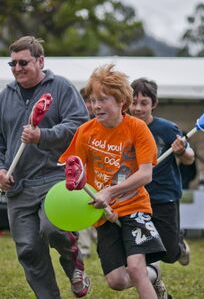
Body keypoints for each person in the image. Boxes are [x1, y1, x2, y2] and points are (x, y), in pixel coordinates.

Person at [0, 36, 90, 299]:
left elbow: (79, 126)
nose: (17, 68)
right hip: (18, 185)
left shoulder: (61, 88)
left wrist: (43, 135)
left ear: (40, 60)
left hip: (54, 178)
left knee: (53, 229)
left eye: (23, 62)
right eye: (13, 63)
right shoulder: (5, 96)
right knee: (29, 249)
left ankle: (74, 263)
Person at [59, 64, 168, 299]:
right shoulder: (86, 132)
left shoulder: (137, 129)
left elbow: (146, 174)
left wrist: (110, 192)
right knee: (117, 281)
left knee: (136, 268)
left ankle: (146, 275)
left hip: (135, 206)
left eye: (103, 99)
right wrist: (97, 201)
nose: (96, 106)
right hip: (103, 212)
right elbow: (78, 173)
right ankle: (154, 275)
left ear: (121, 101)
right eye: (92, 100)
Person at [129, 78, 194, 273]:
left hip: (164, 196)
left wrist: (181, 151)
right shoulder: (123, 127)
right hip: (135, 197)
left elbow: (190, 158)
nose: (138, 108)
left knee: (169, 254)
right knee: (142, 247)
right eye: (133, 102)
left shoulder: (167, 129)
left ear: (154, 104)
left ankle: (179, 244)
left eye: (144, 103)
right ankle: (152, 278)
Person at [77, 87, 96, 258]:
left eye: (92, 100)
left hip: (102, 175)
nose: (89, 105)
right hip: (83, 174)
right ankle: (83, 248)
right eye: (86, 100)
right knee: (83, 208)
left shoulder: (105, 121)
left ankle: (97, 239)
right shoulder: (77, 123)